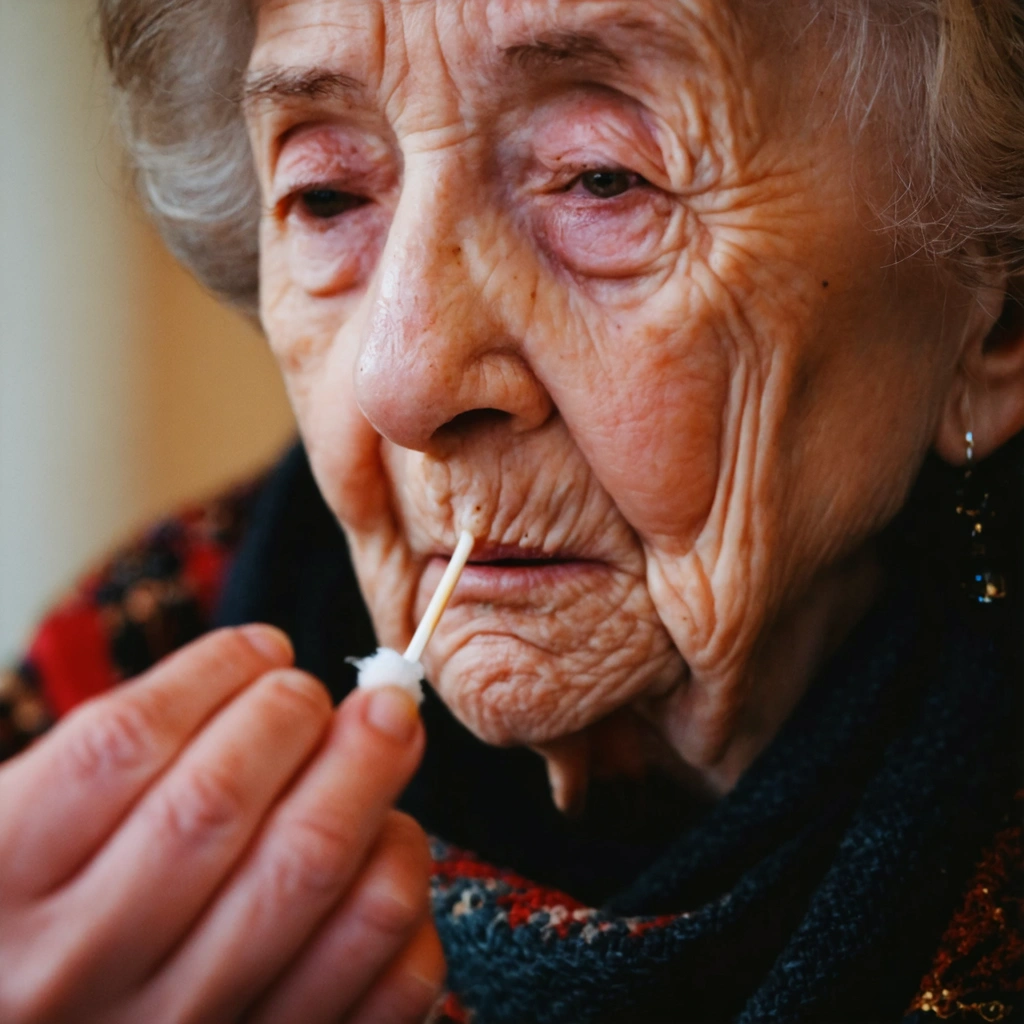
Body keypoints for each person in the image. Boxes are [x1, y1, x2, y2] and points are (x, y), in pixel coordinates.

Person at [1, 1, 1021, 1021]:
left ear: (997, 302)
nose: (402, 380)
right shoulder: (117, 688)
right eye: (325, 196)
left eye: (601, 178)